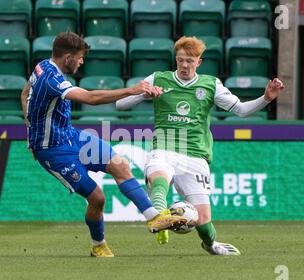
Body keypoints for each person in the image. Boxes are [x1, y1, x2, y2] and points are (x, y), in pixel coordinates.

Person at [20, 31, 187, 258]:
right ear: (67, 57)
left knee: (120, 164)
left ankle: (154, 218)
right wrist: (131, 89)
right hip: (53, 151)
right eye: (79, 57)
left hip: (71, 136)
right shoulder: (51, 78)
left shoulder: (42, 66)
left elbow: (25, 93)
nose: (81, 61)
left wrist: (29, 129)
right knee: (98, 198)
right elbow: (90, 99)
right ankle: (98, 245)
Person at [116, 36, 284, 255]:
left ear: (199, 62)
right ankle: (158, 218)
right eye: (181, 60)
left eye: (190, 61)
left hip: (196, 155)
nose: (184, 65)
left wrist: (266, 98)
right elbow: (120, 104)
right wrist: (142, 93)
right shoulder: (159, 78)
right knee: (159, 177)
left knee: (203, 221)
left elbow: (241, 110)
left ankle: (210, 245)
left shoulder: (210, 84)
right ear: (175, 60)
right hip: (164, 148)